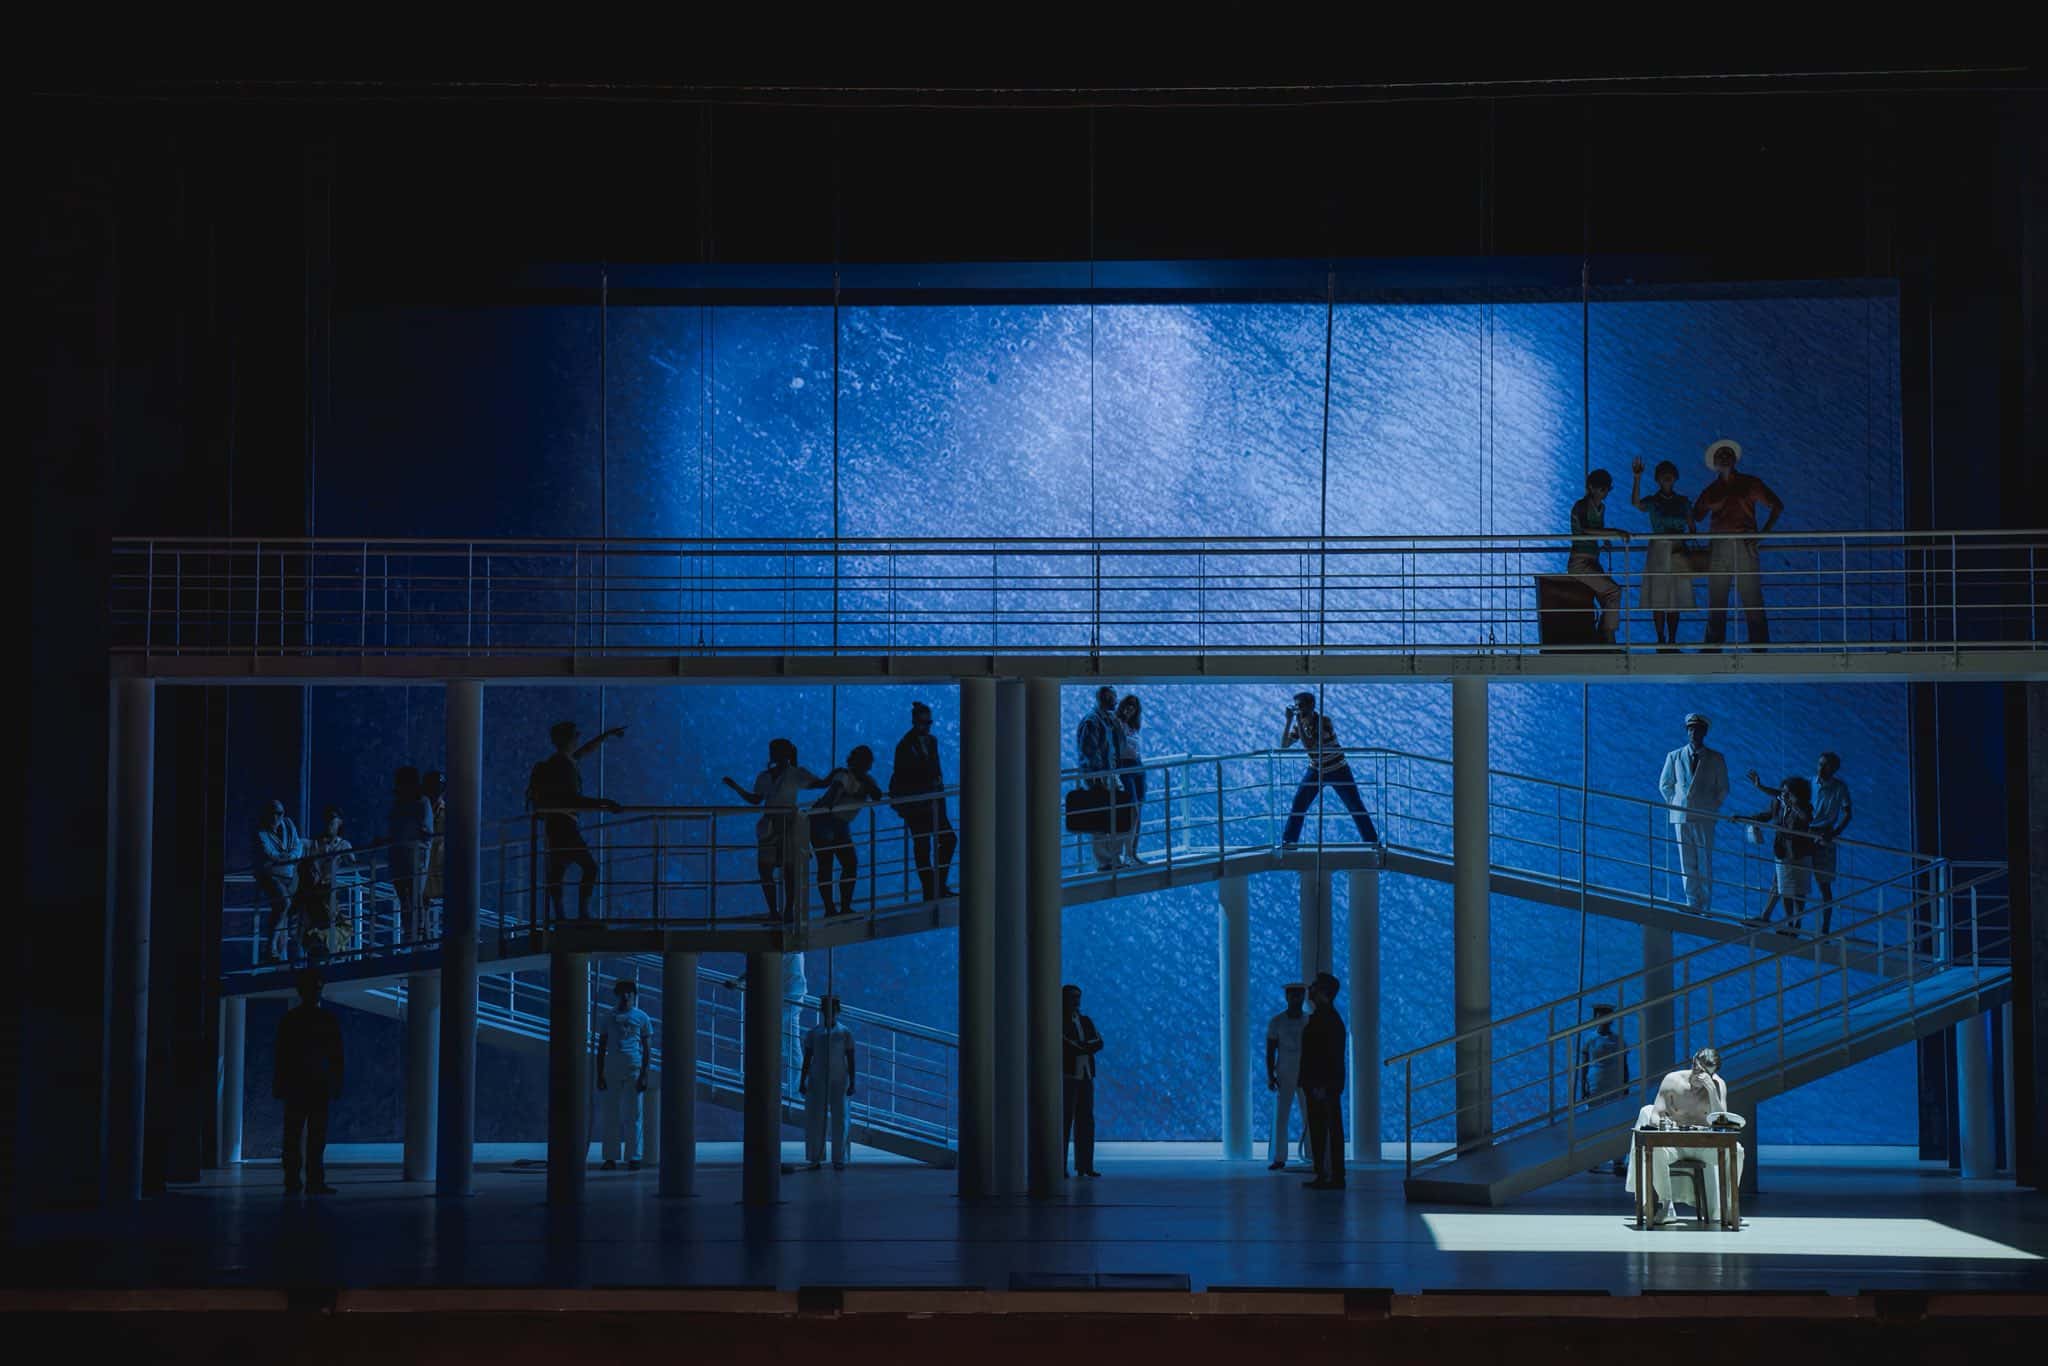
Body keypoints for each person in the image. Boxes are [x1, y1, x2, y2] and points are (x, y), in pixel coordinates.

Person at [1625, 1046, 1743, 1227]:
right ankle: (1666, 1206)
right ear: (1693, 1062)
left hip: (1703, 1146)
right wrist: (1664, 1123)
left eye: (1705, 1073)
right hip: (1675, 1144)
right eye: (1697, 1069)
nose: (1699, 1076)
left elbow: (1721, 1121)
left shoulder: (1718, 1085)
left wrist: (1712, 1091)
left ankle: (1728, 1207)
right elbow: (1655, 1114)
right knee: (1654, 1151)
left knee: (1738, 1151)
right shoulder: (1672, 1080)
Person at [527, 721, 627, 922]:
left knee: (558, 870)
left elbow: (585, 750)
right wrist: (605, 803)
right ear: (567, 739)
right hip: (564, 824)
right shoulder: (563, 765)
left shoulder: (561, 761)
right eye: (575, 736)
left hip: (555, 824)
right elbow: (572, 799)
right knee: (589, 867)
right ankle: (582, 914)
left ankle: (561, 916)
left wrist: (606, 735)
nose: (578, 739)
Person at [1692, 439, 1784, 649]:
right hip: (1718, 546)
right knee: (1717, 599)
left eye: (1728, 453)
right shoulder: (1710, 490)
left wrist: (1761, 535)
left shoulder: (1750, 483)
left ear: (1734, 458)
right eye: (1720, 455)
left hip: (1744, 543)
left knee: (1751, 597)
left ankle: (1759, 646)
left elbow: (1777, 506)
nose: (1724, 457)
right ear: (1715, 463)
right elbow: (1696, 515)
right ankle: (1713, 646)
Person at [724, 739, 827, 919]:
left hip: (786, 825)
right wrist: (736, 787)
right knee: (770, 870)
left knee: (786, 870)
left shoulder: (795, 773)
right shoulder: (768, 776)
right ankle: (777, 911)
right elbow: (756, 799)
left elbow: (819, 783)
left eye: (775, 751)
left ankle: (785, 910)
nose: (772, 754)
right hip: (774, 825)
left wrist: (836, 777)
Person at [274, 968, 344, 1196]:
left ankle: (293, 1181)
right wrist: (336, 1083)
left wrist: (279, 1084)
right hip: (316, 1085)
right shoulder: (326, 1020)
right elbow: (336, 1056)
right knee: (314, 1137)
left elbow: (282, 1055)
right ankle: (312, 1181)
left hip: (300, 1085)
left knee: (295, 1136)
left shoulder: (291, 1020)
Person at [1278, 693, 1380, 848]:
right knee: (1299, 803)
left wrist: (1297, 720)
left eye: (1301, 706)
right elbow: (1284, 745)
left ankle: (1372, 842)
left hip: (1338, 769)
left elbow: (1310, 746)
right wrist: (1288, 721)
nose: (1298, 709)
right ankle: (1289, 842)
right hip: (1316, 769)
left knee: (1355, 805)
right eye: (1296, 706)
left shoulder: (1324, 722)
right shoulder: (1300, 725)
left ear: (1311, 706)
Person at [1658, 713, 1730, 913]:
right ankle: (1692, 902)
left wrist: (1710, 807)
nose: (1693, 732)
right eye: (1690, 729)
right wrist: (1676, 804)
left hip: (1704, 816)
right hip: (1681, 816)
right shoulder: (1674, 756)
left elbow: (1723, 788)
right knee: (1687, 861)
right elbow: (1665, 785)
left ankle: (1705, 904)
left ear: (1704, 732)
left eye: (1697, 729)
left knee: (1704, 861)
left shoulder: (1716, 758)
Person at [888, 701, 956, 900]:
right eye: (923, 723)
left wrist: (938, 795)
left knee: (947, 841)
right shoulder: (904, 746)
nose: (926, 727)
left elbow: (935, 770)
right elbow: (903, 776)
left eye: (929, 723)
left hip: (933, 803)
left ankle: (936, 887)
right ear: (914, 722)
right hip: (917, 806)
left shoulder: (931, 742)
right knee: (924, 847)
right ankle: (932, 889)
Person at [1629, 456, 1698, 649]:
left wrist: (1688, 543)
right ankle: (1661, 639)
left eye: (1670, 474)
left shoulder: (1683, 502)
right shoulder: (1653, 501)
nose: (1667, 477)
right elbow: (1636, 503)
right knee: (1659, 597)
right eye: (1663, 474)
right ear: (1658, 479)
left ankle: (1672, 640)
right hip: (1659, 550)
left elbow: (1692, 528)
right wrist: (1637, 478)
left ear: (1675, 477)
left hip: (1676, 549)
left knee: (1674, 598)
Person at [810, 746, 884, 917]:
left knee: (840, 865)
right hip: (825, 821)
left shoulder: (860, 779)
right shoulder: (843, 776)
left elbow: (877, 795)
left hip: (836, 823)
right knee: (833, 865)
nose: (866, 765)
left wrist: (865, 784)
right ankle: (836, 908)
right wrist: (862, 787)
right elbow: (831, 798)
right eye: (865, 762)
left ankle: (837, 908)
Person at [1742, 772, 1816, 933]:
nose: (1784, 795)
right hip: (1782, 850)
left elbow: (1806, 819)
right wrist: (1745, 818)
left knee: (1798, 890)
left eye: (1788, 793)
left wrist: (1793, 805)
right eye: (1783, 792)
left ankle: (1794, 924)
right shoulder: (1778, 803)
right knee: (1781, 886)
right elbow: (1767, 815)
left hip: (1799, 853)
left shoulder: (1804, 807)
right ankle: (1774, 919)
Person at [595, 977, 653, 1171]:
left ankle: (634, 1157)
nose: (626, 996)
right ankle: (610, 1157)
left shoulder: (642, 1017)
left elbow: (647, 1049)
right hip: (611, 1069)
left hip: (633, 1069)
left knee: (634, 1114)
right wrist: (599, 1074)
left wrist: (644, 1074)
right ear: (617, 994)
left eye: (629, 992)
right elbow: (601, 1047)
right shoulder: (608, 1017)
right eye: (623, 992)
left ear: (634, 995)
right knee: (610, 1114)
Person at [1568, 468, 1631, 645]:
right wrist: (1614, 532)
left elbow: (1598, 528)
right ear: (1591, 487)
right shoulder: (1581, 505)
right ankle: (1608, 636)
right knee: (1613, 591)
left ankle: (1603, 635)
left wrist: (1605, 539)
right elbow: (1586, 529)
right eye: (1602, 489)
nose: (1605, 493)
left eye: (1607, 489)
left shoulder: (1601, 507)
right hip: (1579, 562)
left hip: (1592, 559)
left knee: (1608, 597)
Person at [1300, 972, 1348, 1189]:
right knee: (1322, 1129)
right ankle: (1325, 1174)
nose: (1309, 989)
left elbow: (1329, 1056)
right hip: (1319, 1084)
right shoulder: (1325, 1018)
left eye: (1314, 986)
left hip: (1322, 1085)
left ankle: (1330, 1175)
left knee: (1325, 1130)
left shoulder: (1326, 1020)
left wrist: (1323, 1085)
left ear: (1323, 993)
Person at [1076, 686, 1132, 872]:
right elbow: (1089, 752)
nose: (1116, 701)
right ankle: (1106, 861)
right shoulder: (1092, 722)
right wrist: (1097, 778)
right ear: (1105, 699)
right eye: (1113, 698)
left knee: (1118, 815)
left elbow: (1116, 744)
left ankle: (1113, 858)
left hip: (1110, 774)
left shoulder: (1107, 719)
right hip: (1100, 776)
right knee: (1102, 820)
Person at [800, 996, 857, 1171]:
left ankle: (839, 1158)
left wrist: (852, 1082)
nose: (829, 1012)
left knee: (841, 1118)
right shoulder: (814, 1033)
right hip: (817, 1078)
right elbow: (807, 1058)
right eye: (826, 1008)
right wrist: (802, 1081)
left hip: (839, 1079)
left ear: (837, 1011)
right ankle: (815, 1156)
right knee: (816, 1118)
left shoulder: (845, 1033)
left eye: (832, 1008)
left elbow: (851, 1058)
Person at [1578, 1004, 1631, 1174]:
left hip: (1615, 1085)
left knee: (1615, 1122)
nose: (1603, 1020)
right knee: (1594, 1124)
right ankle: (1593, 1158)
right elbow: (1584, 1065)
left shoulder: (1618, 1040)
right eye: (1600, 1016)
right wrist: (1582, 1087)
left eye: (1606, 1017)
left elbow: (1624, 1064)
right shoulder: (1589, 1039)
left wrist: (1626, 1084)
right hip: (1595, 1085)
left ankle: (1618, 1160)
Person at [1807, 753, 1854, 933]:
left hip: (1824, 835)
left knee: (1824, 886)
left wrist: (1835, 832)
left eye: (1825, 765)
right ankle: (1795, 924)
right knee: (1798, 880)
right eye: (1820, 764)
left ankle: (1824, 928)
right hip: (1806, 833)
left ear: (1834, 769)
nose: (1821, 768)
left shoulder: (1840, 787)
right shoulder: (1809, 782)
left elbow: (1848, 813)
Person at [252, 799, 303, 964]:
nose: (276, 817)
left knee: (286, 910)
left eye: (279, 813)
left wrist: (289, 857)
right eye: (273, 813)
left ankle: (282, 956)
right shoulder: (261, 832)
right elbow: (268, 852)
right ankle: (271, 947)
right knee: (284, 903)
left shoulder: (288, 824)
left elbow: (298, 846)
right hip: (270, 875)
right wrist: (286, 858)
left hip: (289, 874)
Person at [1265, 982, 1310, 1171]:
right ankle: (1279, 1157)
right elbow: (1270, 1050)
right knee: (1281, 1116)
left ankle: (1313, 1155)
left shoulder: (1309, 1020)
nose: (1296, 999)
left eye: (1299, 995)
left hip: (1307, 1072)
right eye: (1293, 995)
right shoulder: (1277, 1021)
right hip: (1284, 1072)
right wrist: (1270, 1075)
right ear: (1287, 997)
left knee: (1310, 1115)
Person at [387, 767, 434, 943]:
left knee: (415, 897)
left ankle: (418, 936)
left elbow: (425, 831)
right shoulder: (399, 805)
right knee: (404, 899)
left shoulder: (422, 802)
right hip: (399, 857)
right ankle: (409, 934)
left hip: (416, 856)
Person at [1062, 984, 1103, 1178]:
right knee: (1064, 1122)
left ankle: (1085, 1165)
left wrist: (1082, 1047)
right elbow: (1066, 1045)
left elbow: (1099, 1042)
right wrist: (1086, 1047)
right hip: (1068, 1076)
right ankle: (1059, 1165)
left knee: (1086, 1121)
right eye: (1073, 997)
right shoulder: (1059, 1022)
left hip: (1086, 1075)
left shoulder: (1085, 1020)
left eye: (1078, 997)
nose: (1076, 1001)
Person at [307, 808, 356, 953]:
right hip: (317, 890)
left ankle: (326, 944)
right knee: (339, 925)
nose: (329, 823)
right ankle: (334, 948)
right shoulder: (316, 843)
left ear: (339, 822)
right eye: (327, 819)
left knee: (335, 924)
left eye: (332, 820)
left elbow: (353, 865)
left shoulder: (343, 845)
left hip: (330, 890)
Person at [1115, 693, 1147, 867]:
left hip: (1137, 767)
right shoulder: (1116, 723)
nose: (1129, 709)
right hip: (1125, 768)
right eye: (1127, 705)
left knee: (1138, 812)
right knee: (1131, 811)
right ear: (1122, 706)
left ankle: (1133, 853)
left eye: (1133, 706)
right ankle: (1126, 854)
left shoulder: (1134, 726)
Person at [421, 770, 448, 920]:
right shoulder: (421, 811)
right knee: (420, 919)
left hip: (438, 871)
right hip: (425, 871)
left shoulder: (448, 813)